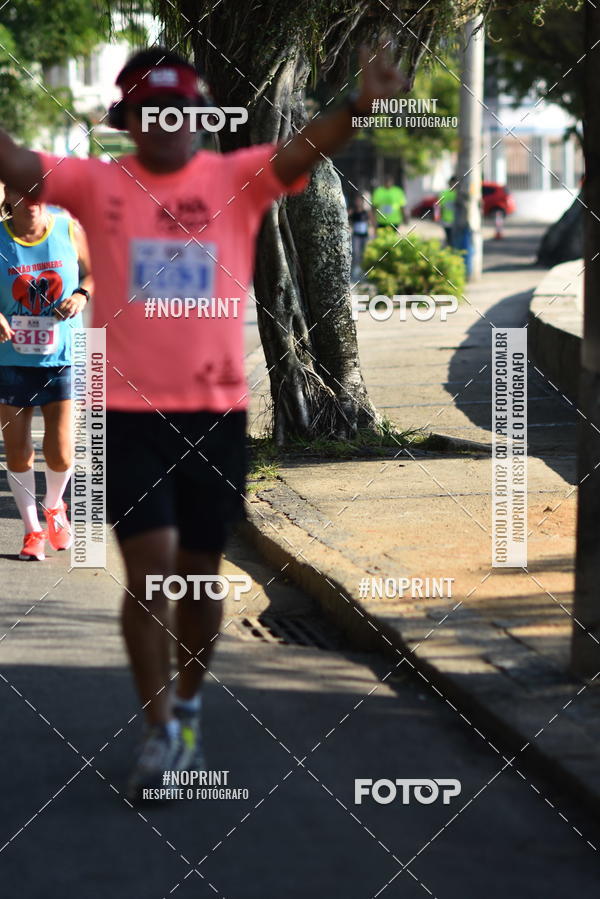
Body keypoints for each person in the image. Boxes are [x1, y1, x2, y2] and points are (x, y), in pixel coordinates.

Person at [0, 46, 405, 800]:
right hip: (130, 415)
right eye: (154, 111)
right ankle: (162, 730)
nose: (171, 123)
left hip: (213, 417)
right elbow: (21, 163)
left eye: (183, 108)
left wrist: (359, 102)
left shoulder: (232, 178)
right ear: (130, 122)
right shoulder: (100, 183)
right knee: (149, 574)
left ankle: (187, 701)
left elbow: (302, 149)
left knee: (198, 580)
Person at [0, 187, 92, 561]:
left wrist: (83, 294)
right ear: (10, 197)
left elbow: (95, 270)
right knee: (19, 452)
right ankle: (32, 530)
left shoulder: (68, 228)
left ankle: (54, 507)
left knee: (60, 454)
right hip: (10, 359)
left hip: (63, 356)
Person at [348, 194, 373, 280]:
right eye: (356, 201)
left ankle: (363, 269)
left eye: (359, 201)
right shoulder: (353, 211)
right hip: (356, 236)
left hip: (365, 236)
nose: (358, 202)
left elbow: (371, 221)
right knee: (356, 252)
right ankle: (356, 268)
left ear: (362, 202)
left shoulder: (366, 212)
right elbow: (347, 220)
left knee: (364, 252)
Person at [437, 176, 457, 245]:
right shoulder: (458, 194)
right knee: (452, 239)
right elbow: (440, 207)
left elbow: (440, 207)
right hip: (449, 221)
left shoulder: (444, 193)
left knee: (451, 239)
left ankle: (450, 251)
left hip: (453, 221)